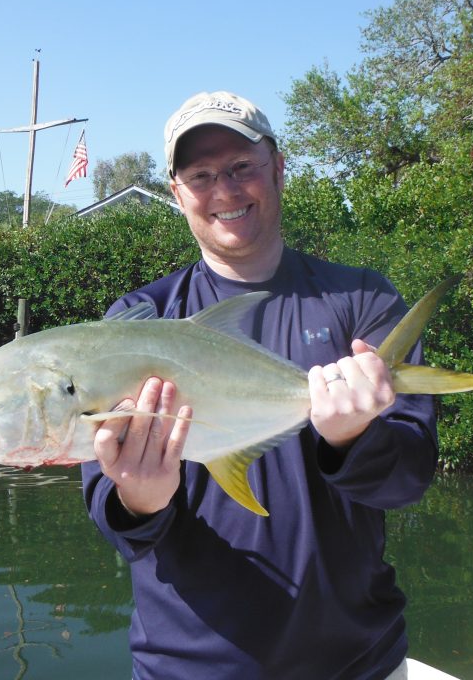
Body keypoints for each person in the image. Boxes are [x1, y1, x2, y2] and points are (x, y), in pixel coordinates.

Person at [81, 91, 440, 680]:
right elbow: (119, 524)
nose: (223, 190)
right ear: (177, 193)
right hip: (189, 669)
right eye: (200, 175)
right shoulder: (136, 318)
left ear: (277, 167)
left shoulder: (362, 301)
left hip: (358, 663)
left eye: (241, 167)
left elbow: (408, 478)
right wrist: (138, 498)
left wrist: (352, 440)